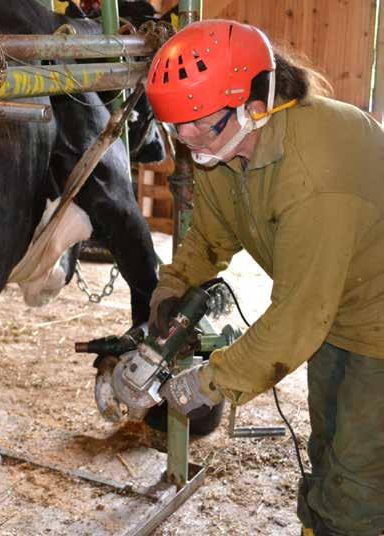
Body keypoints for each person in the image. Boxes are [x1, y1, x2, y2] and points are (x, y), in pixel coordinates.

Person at [145, 19, 384, 536]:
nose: (186, 143)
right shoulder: (224, 150)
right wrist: (171, 288)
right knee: (327, 450)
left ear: (256, 104)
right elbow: (209, 236)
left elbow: (298, 315)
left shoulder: (315, 169)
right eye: (175, 128)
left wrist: (212, 381)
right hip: (340, 308)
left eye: (198, 126)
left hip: (377, 320)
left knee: (360, 481)